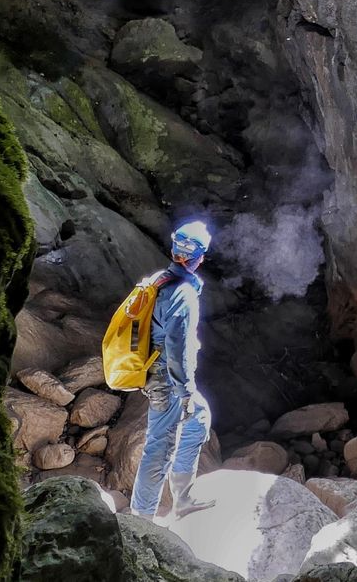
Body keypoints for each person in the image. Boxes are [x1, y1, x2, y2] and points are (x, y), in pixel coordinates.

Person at [129, 220, 216, 519]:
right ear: (200, 257)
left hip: (157, 372)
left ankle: (182, 499)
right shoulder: (183, 295)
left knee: (199, 420)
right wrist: (186, 391)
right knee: (160, 447)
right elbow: (177, 347)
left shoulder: (159, 280)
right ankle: (141, 521)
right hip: (166, 380)